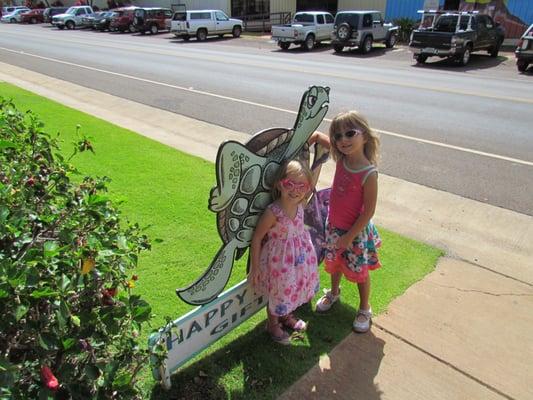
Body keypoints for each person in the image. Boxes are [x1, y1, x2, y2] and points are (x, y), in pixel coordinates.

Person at [309, 110, 381, 333]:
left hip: (355, 234)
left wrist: (349, 236)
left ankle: (364, 308)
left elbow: (368, 212)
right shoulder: (342, 158)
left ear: (365, 137)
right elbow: (324, 139)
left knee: (360, 271)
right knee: (335, 263)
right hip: (334, 226)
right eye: (338, 136)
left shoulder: (369, 173)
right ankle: (334, 292)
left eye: (350, 133)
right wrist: (313, 137)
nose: (343, 140)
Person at [248, 159, 319, 344]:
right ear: (280, 184)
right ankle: (272, 324)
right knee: (279, 291)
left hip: (298, 258)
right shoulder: (273, 212)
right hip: (279, 262)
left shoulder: (300, 204)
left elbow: (315, 176)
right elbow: (256, 238)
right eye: (290, 184)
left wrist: (321, 154)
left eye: (301, 186)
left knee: (292, 287)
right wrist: (255, 268)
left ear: (308, 188)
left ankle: (286, 315)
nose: (295, 190)